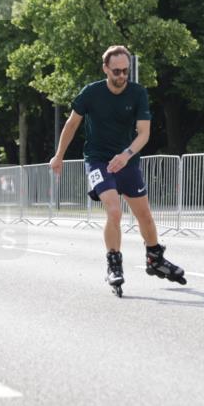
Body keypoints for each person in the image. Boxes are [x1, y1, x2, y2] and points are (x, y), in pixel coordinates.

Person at [49, 45, 186, 296]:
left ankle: (155, 258)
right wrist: (59, 156)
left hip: (127, 160)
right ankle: (114, 264)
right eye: (116, 71)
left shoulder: (137, 93)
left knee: (144, 215)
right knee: (114, 210)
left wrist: (126, 155)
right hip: (98, 160)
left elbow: (143, 134)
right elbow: (71, 124)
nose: (122, 75)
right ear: (105, 69)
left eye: (125, 70)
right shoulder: (91, 93)